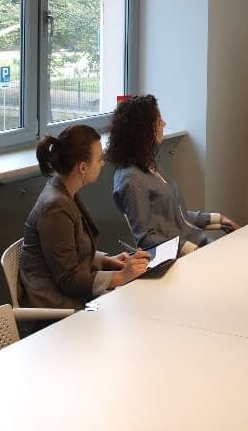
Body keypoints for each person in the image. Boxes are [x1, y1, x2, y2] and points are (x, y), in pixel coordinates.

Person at [19, 125, 150, 312]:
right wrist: (121, 277)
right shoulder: (55, 208)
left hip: (68, 297)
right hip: (56, 307)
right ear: (82, 167)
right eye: (99, 159)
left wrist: (107, 261)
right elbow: (69, 280)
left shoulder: (63, 190)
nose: (102, 164)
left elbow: (70, 251)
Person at [108, 95, 239, 256]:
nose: (164, 123)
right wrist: (192, 250)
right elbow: (145, 238)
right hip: (182, 256)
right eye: (158, 120)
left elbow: (178, 216)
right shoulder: (131, 179)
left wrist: (219, 219)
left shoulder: (148, 165)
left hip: (198, 246)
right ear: (142, 130)